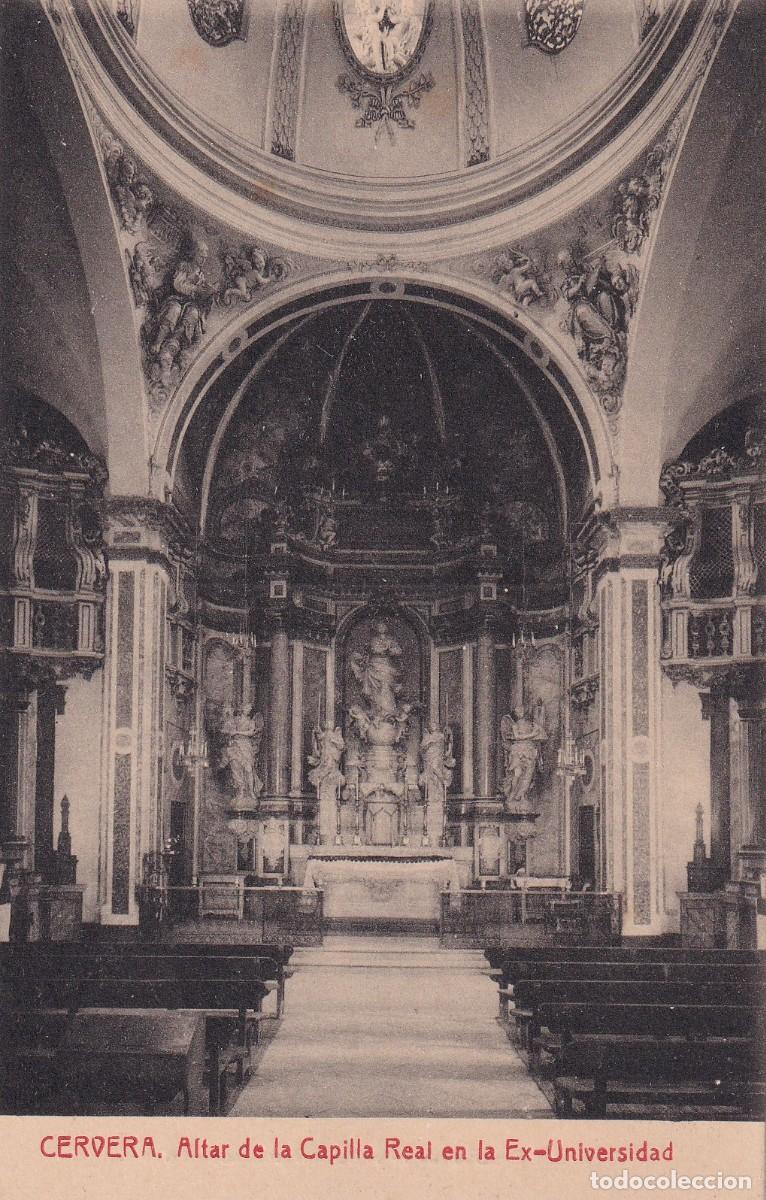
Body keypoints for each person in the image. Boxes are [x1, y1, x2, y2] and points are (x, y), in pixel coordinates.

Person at [500, 703, 547, 806]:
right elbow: (517, 737)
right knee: (517, 773)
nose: (519, 713)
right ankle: (512, 795)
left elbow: (543, 736)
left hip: (529, 751)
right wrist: (532, 735)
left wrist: (536, 732)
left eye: (521, 711)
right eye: (517, 712)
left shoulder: (532, 724)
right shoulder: (514, 725)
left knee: (528, 775)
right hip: (518, 750)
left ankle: (521, 795)